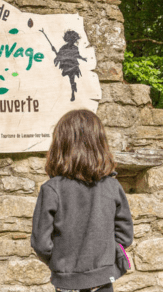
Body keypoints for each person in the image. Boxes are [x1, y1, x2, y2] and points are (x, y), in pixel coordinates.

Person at [31, 110, 133, 292]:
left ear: (60, 144)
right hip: (103, 282)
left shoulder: (52, 189)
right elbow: (125, 236)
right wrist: (103, 260)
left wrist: (62, 265)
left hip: (67, 284)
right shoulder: (112, 186)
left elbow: (41, 244)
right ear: (99, 143)